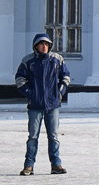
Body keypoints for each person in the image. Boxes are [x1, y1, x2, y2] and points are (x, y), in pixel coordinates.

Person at [15, 33, 71, 175]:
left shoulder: (57, 59)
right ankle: (29, 166)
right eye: (41, 44)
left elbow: (66, 76)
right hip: (35, 107)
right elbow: (20, 79)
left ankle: (56, 165)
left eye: (46, 44)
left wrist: (59, 93)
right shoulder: (28, 61)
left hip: (52, 106)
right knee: (33, 137)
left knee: (53, 136)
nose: (44, 46)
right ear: (36, 46)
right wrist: (31, 95)